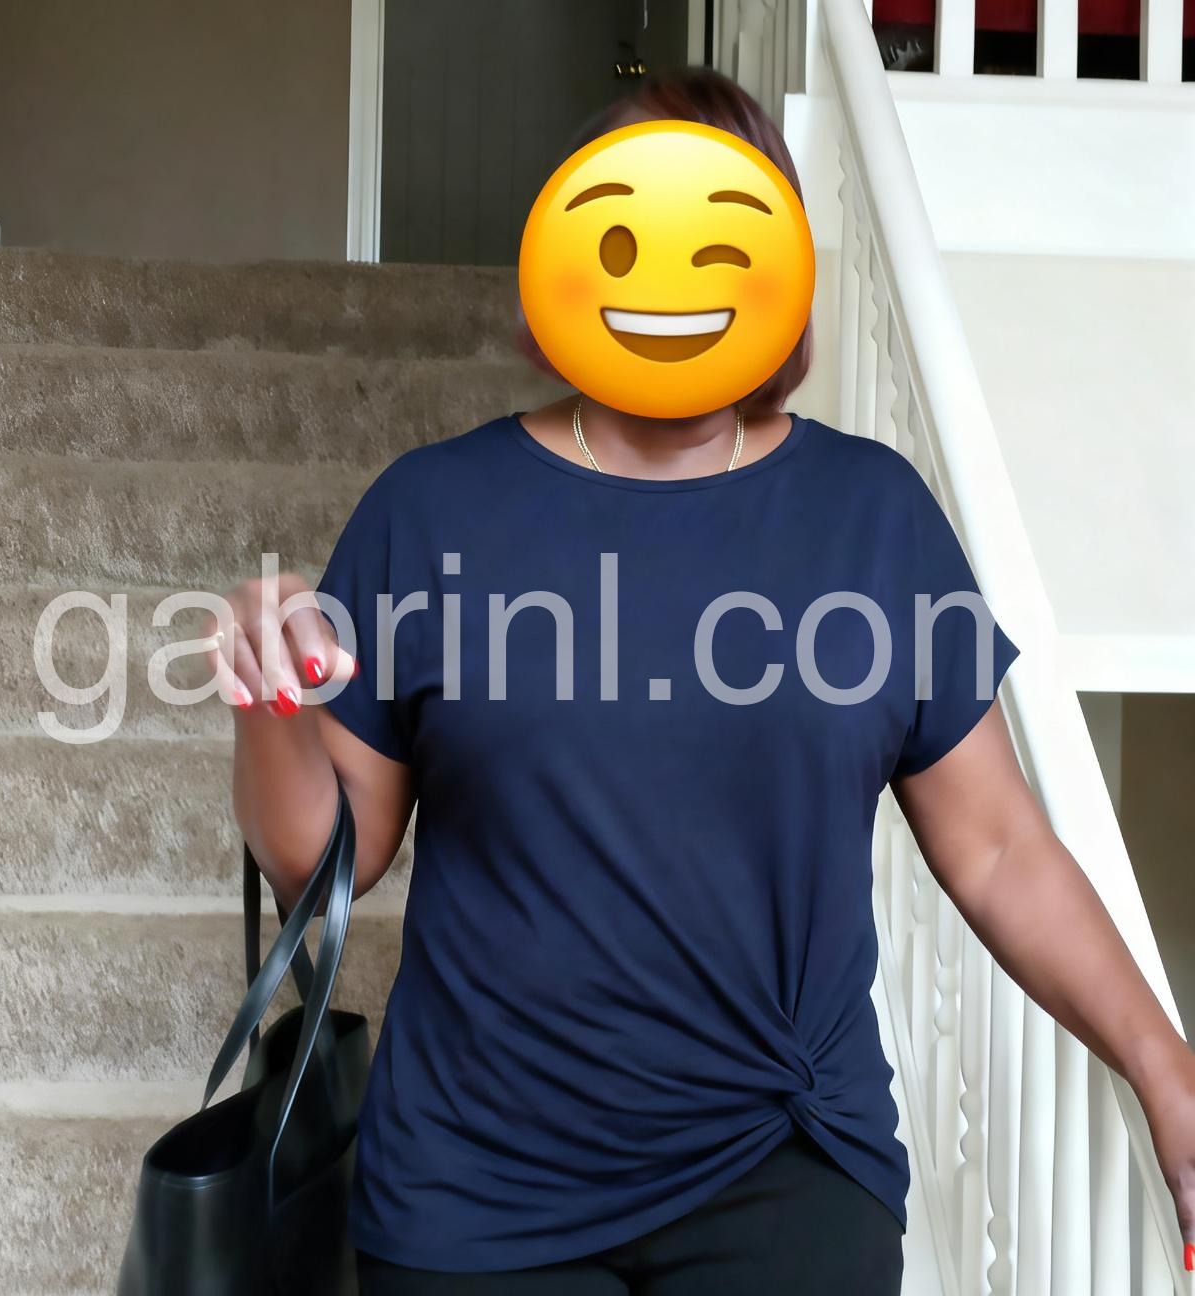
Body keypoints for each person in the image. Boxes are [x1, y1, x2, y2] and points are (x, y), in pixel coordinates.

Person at [209, 66, 1195, 1295]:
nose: (670, 275)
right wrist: (272, 707)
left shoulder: (872, 517)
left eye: (714, 237)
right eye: (626, 234)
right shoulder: (431, 509)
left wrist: (1165, 1065)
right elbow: (326, 865)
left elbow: (997, 849)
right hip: (471, 1184)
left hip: (787, 1169)